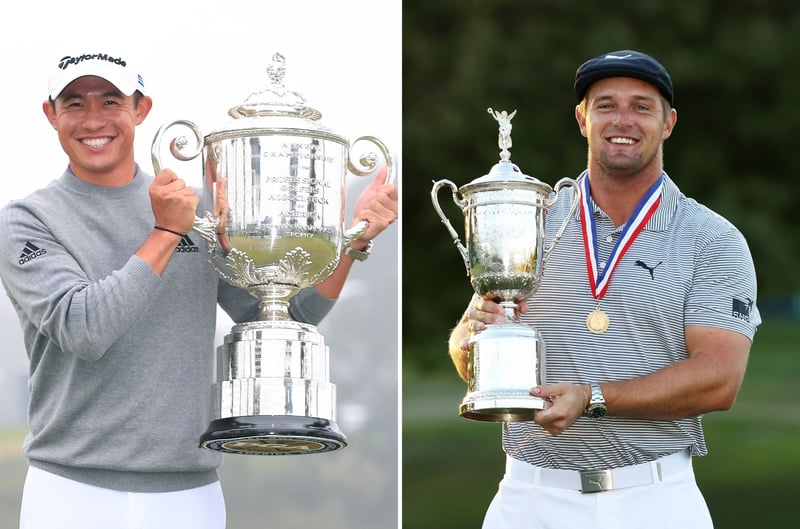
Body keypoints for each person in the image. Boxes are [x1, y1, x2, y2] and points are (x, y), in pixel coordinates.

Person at [0, 51, 397, 529]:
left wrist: (353, 241)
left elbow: (286, 318)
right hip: (70, 493)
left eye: (110, 101)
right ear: (51, 114)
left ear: (140, 109)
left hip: (190, 494)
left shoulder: (197, 212)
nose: (94, 120)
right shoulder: (27, 220)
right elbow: (85, 329)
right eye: (74, 104)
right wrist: (166, 233)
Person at [447, 50, 759, 528]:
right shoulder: (530, 217)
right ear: (582, 118)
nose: (623, 120)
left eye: (641, 106)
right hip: (531, 495)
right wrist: (472, 337)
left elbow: (720, 378)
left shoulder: (710, 237)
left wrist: (592, 396)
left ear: (668, 122)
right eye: (606, 104)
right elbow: (469, 357)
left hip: (656, 497)